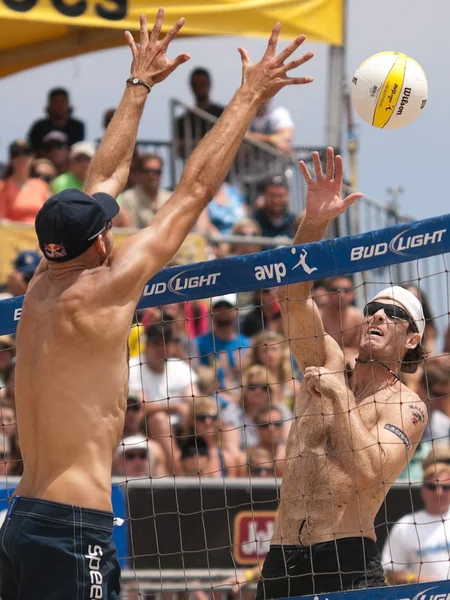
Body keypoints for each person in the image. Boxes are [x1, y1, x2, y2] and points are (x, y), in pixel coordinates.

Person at [0, 11, 314, 598]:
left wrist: (139, 83)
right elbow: (191, 192)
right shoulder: (105, 287)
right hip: (73, 528)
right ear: (98, 242)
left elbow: (105, 175)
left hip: (21, 521)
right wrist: (247, 98)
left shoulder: (43, 278)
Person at [257, 148, 428, 599]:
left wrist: (337, 396)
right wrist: (314, 222)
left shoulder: (407, 406)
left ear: (412, 340)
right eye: (373, 309)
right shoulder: (328, 356)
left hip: (345, 558)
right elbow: (292, 299)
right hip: (281, 557)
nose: (377, 317)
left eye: (393, 315)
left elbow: (369, 470)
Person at [382, 452, 450, 583]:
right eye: (432, 486)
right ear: (422, 489)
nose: (439, 492)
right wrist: (418, 580)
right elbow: (391, 574)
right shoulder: (405, 525)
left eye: (446, 487)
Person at [0, 139, 49, 222]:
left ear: (33, 157)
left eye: (26, 153)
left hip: (38, 233)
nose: (21, 157)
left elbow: (48, 215)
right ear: (11, 159)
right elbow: (2, 219)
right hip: (12, 233)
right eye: (17, 154)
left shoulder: (41, 185)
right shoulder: (3, 187)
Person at [319, 275, 364, 365]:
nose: (341, 294)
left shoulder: (357, 317)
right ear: (327, 292)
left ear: (353, 294)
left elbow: (360, 349)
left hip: (351, 360)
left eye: (346, 290)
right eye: (336, 290)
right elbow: (316, 350)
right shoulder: (319, 317)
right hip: (324, 362)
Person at [122, 152, 172, 228]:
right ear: (139, 173)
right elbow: (130, 229)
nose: (153, 176)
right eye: (148, 171)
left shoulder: (170, 198)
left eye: (157, 172)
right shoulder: (128, 198)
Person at [28, 87, 85, 151]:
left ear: (68, 104)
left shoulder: (77, 126)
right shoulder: (39, 127)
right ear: (49, 105)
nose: (59, 105)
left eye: (62, 102)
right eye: (55, 102)